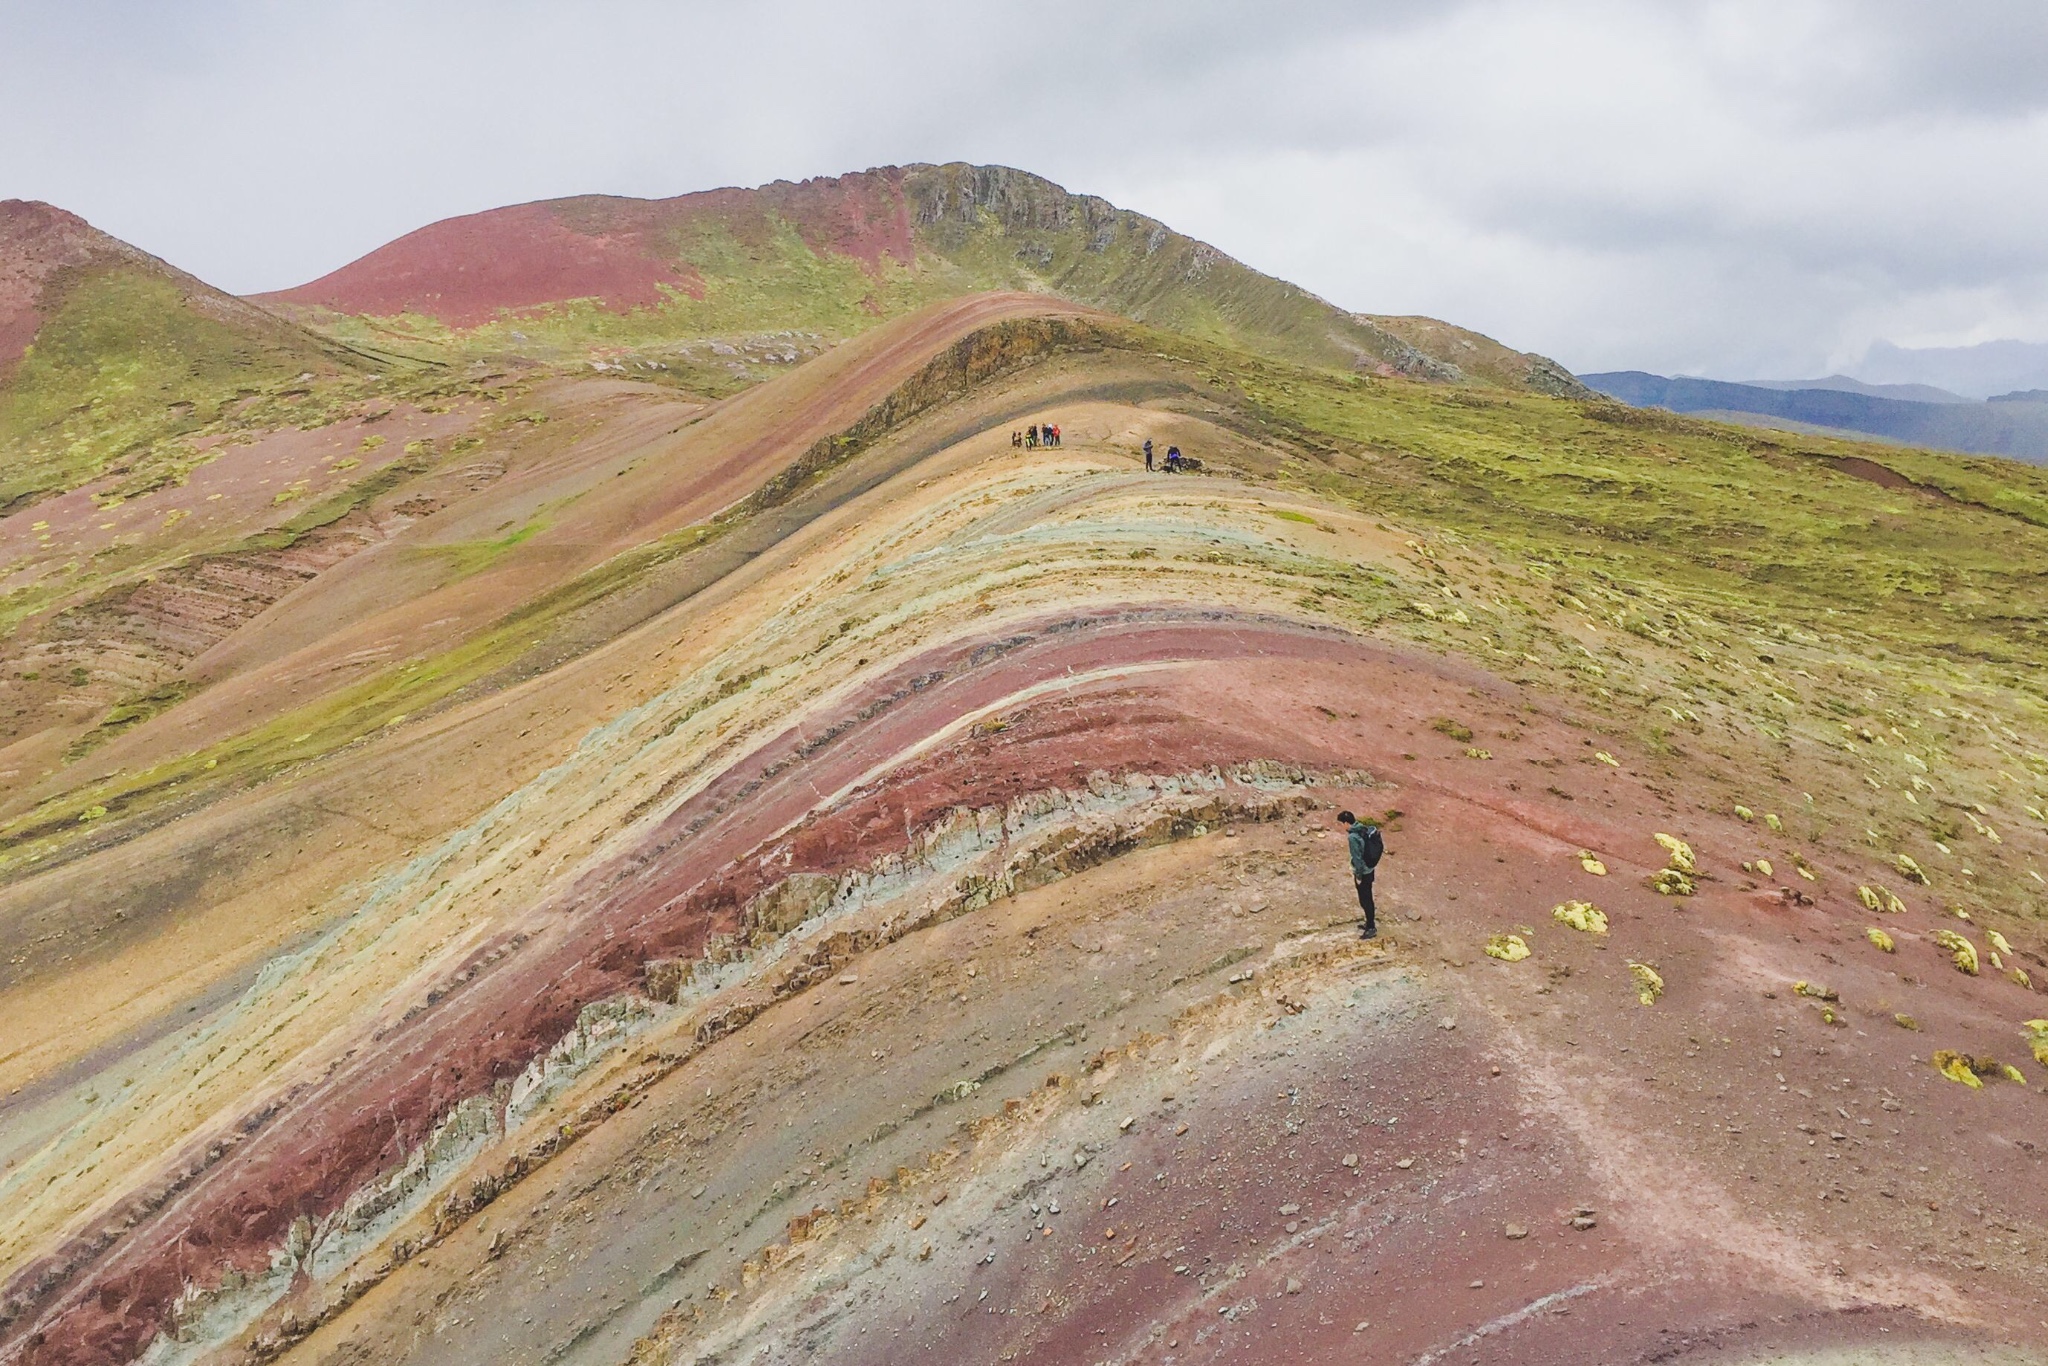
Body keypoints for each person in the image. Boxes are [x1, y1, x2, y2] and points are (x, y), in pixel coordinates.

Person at [1338, 810, 1383, 939]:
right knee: (1367, 897)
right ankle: (1369, 923)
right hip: (1370, 869)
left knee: (1365, 899)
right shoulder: (1362, 828)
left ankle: (1371, 927)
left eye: (1342, 824)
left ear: (1346, 823)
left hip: (1363, 872)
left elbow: (1357, 858)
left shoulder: (1353, 837)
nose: (1342, 827)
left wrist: (1358, 876)